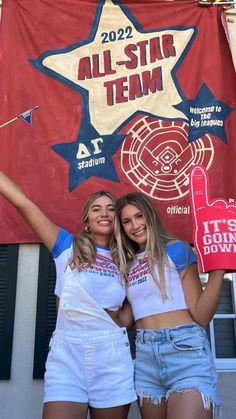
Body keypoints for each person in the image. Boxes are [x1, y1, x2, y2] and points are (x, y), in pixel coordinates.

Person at [0, 170, 137, 419]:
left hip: (111, 355)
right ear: (87, 219)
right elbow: (23, 203)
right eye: (96, 209)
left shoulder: (128, 260)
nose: (104, 213)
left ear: (118, 219)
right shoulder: (65, 246)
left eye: (110, 208)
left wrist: (117, 321)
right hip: (67, 354)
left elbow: (133, 312)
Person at [112, 192, 225, 419]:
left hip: (185, 352)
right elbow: (126, 320)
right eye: (127, 221)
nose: (135, 225)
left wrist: (218, 270)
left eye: (139, 216)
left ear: (150, 216)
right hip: (145, 358)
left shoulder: (176, 249)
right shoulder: (128, 263)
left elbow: (201, 315)